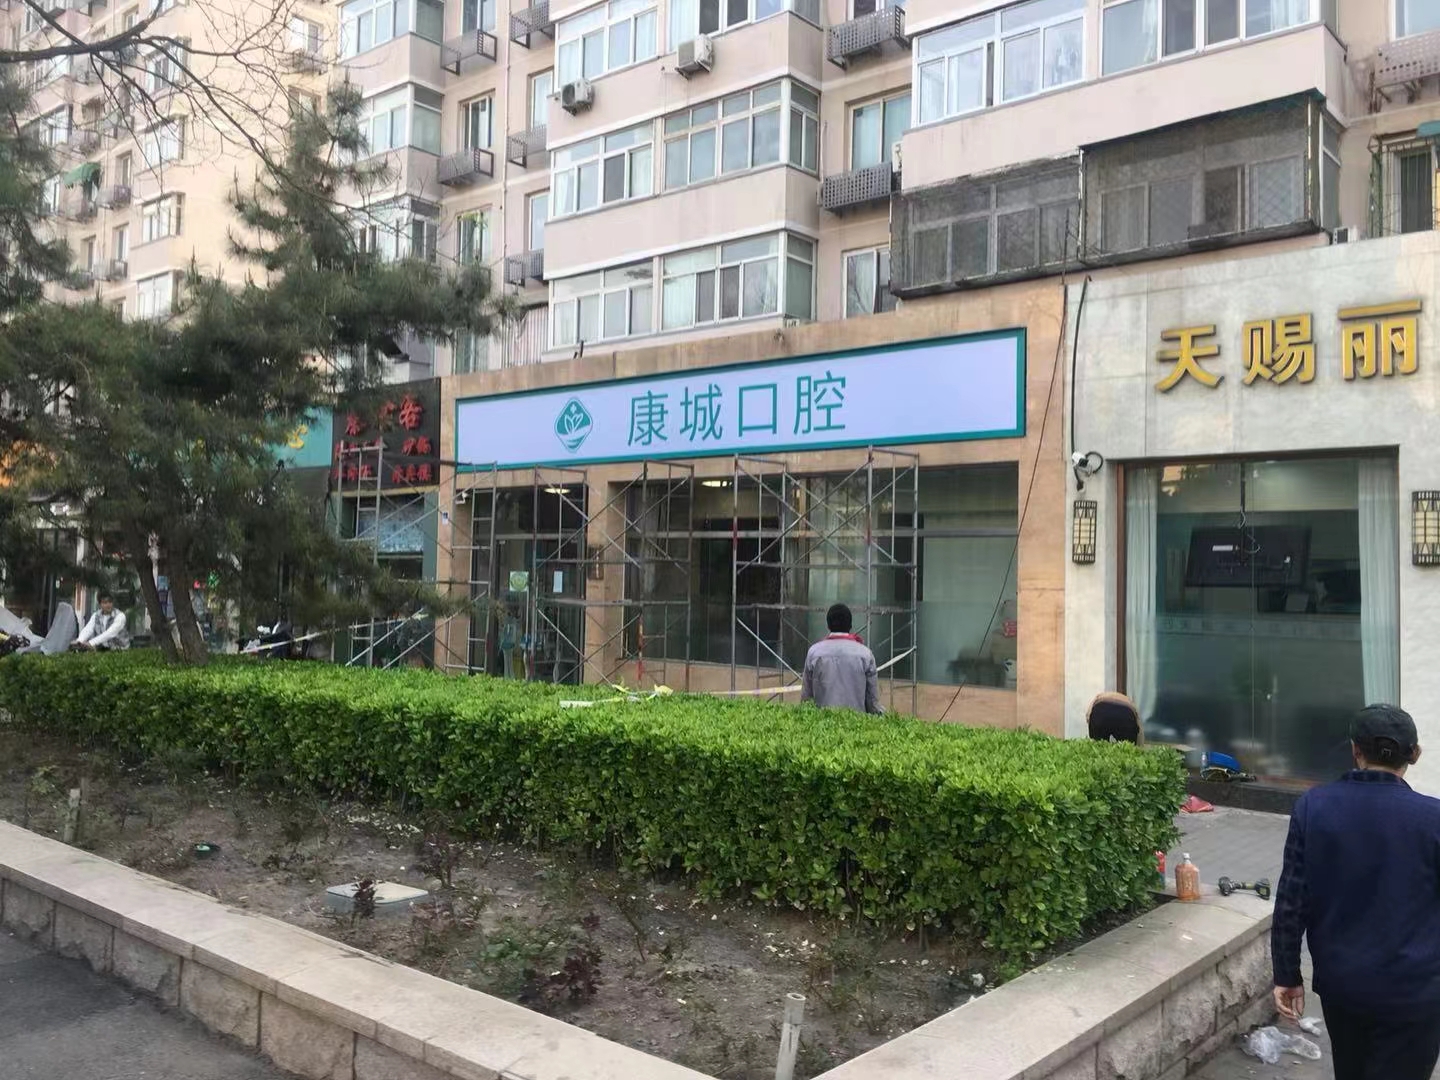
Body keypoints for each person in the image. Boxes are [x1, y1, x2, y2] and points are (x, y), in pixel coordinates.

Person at [1271, 704, 1440, 1080]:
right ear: (1414, 753)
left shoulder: (1313, 807)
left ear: (1355, 750)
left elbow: (1291, 902)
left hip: (1343, 985)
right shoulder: (1433, 819)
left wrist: (1287, 973)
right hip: (1416, 991)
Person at [800, 603, 882, 714]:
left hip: (821, 722)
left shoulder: (814, 652)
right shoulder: (866, 654)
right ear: (850, 625)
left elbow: (806, 699)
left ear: (828, 625)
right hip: (856, 722)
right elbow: (872, 702)